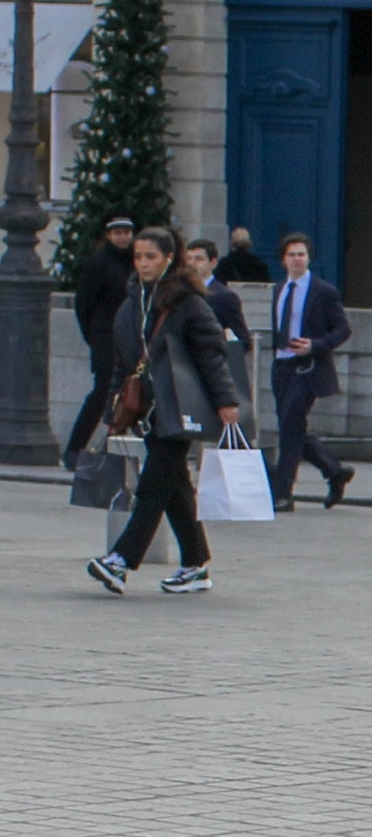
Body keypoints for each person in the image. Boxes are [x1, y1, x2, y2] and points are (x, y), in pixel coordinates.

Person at [86, 227, 242, 597]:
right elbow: (122, 363)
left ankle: (121, 560)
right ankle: (196, 564)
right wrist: (113, 411)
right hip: (149, 409)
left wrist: (226, 402)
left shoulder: (188, 302)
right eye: (138, 257)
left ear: (169, 258)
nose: (142, 263)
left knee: (153, 486)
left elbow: (211, 354)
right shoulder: (132, 301)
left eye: (150, 257)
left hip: (182, 408)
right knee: (173, 488)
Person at [268, 232, 356, 512]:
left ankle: (282, 493)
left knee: (290, 427)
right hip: (281, 365)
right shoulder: (279, 289)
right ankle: (334, 471)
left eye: (302, 254)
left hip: (307, 368)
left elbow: (343, 329)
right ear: (283, 259)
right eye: (292, 254)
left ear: (309, 258)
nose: (297, 259)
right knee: (290, 427)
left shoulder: (324, 291)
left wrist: (315, 345)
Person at [62, 216, 136, 464]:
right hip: (105, 336)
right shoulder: (99, 263)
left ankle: (120, 450)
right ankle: (75, 448)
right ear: (108, 235)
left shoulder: (136, 263)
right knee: (103, 392)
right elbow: (84, 305)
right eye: (118, 233)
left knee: (132, 392)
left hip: (130, 336)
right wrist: (94, 337)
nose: (123, 237)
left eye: (127, 232)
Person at [184, 238, 255, 438]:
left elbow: (243, 340)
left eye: (199, 259)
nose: (192, 263)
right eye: (188, 259)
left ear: (213, 262)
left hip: (215, 368)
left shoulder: (224, 297)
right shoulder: (180, 293)